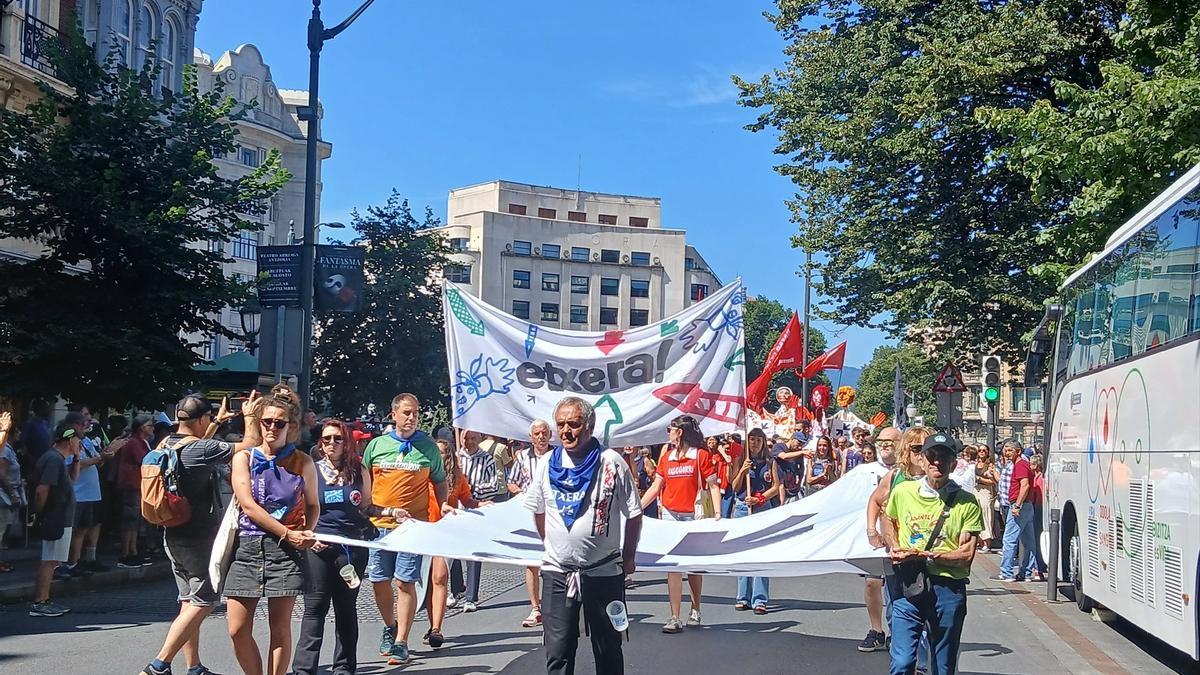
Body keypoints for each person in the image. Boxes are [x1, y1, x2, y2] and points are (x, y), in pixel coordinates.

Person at [140, 392, 263, 675]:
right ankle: (159, 665)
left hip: (172, 533)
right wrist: (251, 416)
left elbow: (196, 444)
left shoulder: (166, 444)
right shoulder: (202, 450)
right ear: (202, 419)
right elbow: (251, 444)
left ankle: (193, 667)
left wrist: (214, 423)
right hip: (199, 538)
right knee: (204, 601)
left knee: (187, 602)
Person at [526, 396, 642, 675]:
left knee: (608, 649)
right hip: (557, 573)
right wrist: (555, 546)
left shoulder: (611, 462)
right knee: (558, 651)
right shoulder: (546, 464)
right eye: (561, 424)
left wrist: (628, 557)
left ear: (589, 426)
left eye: (574, 424)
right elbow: (538, 511)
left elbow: (634, 513)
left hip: (604, 573)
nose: (567, 431)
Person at [225, 394, 319, 675]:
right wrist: (287, 533)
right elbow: (248, 506)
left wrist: (307, 531)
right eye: (267, 421)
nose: (272, 428)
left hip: (286, 552)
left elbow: (314, 505)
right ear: (259, 423)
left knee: (279, 627)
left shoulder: (303, 462)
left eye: (280, 423)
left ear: (290, 426)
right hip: (248, 546)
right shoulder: (244, 458)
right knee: (237, 628)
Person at [883, 433, 983, 675]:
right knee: (902, 663)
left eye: (944, 457)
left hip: (947, 588)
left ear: (953, 463)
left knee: (942, 665)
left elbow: (966, 554)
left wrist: (925, 553)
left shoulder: (967, 502)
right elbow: (888, 517)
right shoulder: (903, 492)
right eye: (932, 456)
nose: (937, 462)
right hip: (909, 584)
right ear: (922, 460)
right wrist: (893, 543)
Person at [362, 393, 449, 667]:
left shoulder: (428, 448)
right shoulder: (377, 446)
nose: (412, 418)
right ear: (394, 414)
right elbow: (364, 480)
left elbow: (440, 481)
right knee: (378, 580)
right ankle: (390, 625)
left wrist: (444, 506)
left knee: (404, 581)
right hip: (379, 526)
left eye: (416, 413)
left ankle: (401, 641)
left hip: (413, 526)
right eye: (407, 413)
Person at [293, 418, 372, 675]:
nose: (332, 444)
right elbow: (299, 510)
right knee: (314, 609)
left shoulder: (359, 471)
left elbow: (367, 508)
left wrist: (394, 512)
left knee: (346, 608)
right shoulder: (311, 470)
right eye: (326, 439)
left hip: (351, 549)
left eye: (338, 439)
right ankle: (304, 669)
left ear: (347, 442)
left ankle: (344, 667)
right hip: (318, 546)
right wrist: (309, 537)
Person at [638, 414, 721, 633]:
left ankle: (695, 608)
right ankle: (674, 616)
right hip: (669, 516)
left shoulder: (700, 455)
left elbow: (713, 485)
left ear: (680, 432)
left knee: (693, 565)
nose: (668, 433)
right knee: (672, 567)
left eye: (670, 429)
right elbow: (656, 486)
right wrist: (636, 508)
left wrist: (718, 514)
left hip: (694, 515)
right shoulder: (667, 458)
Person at [864, 425, 933, 662]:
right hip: (900, 556)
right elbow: (875, 501)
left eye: (927, 448)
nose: (922, 453)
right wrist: (873, 532)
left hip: (929, 557)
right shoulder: (895, 476)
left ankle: (920, 664)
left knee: (926, 613)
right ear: (907, 450)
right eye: (916, 448)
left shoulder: (937, 477)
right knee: (898, 610)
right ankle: (904, 658)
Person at [423, 437, 481, 650]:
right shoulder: (422, 475)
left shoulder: (457, 478)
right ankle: (419, 624)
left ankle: (436, 629)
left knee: (439, 577)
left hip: (443, 532)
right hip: (421, 530)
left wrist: (482, 505)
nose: (440, 457)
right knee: (420, 582)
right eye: (435, 452)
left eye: (444, 453)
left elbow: (468, 501)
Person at [29, 422, 80, 617]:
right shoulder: (53, 460)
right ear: (69, 440)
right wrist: (38, 513)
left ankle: (44, 600)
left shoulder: (59, 459)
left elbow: (72, 482)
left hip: (60, 517)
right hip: (54, 517)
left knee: (53, 560)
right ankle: (40, 602)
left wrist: (76, 460)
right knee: (49, 560)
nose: (79, 443)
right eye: (77, 440)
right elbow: (42, 490)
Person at [859, 426, 901, 652]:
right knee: (872, 582)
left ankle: (898, 632)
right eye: (881, 442)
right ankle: (876, 630)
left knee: (897, 585)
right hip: (875, 539)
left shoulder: (907, 470)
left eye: (890, 442)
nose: (884, 446)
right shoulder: (866, 470)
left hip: (901, 537)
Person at [509, 419, 553, 628]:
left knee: (555, 560)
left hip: (554, 515)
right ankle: (536, 607)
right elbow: (511, 482)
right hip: (530, 514)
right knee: (531, 561)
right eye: (537, 433)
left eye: (544, 433)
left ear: (550, 435)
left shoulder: (558, 456)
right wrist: (519, 492)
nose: (541, 437)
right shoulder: (522, 458)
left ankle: (557, 606)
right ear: (531, 437)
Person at [731, 427, 781, 614]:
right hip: (743, 508)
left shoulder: (770, 462)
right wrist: (742, 471)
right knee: (743, 553)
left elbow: (776, 487)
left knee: (761, 553)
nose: (755, 443)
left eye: (759, 440)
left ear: (763, 442)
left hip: (762, 508)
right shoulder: (740, 460)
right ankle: (743, 596)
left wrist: (761, 498)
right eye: (752, 439)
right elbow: (734, 487)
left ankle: (759, 598)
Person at [61, 408, 113, 577]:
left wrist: (108, 453)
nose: (86, 427)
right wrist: (98, 459)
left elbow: (98, 460)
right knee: (70, 529)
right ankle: (63, 564)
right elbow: (74, 464)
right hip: (77, 492)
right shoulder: (67, 441)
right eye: (84, 424)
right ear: (74, 425)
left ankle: (76, 563)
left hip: (90, 492)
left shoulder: (86, 441)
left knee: (83, 529)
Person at [456, 429, 502, 612]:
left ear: (480, 439)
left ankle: (471, 597)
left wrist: (473, 489)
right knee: (453, 551)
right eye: (466, 438)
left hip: (476, 511)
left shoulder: (487, 459)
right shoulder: (456, 457)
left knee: (474, 553)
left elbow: (494, 486)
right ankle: (456, 589)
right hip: (456, 509)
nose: (469, 442)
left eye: (473, 438)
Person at [994, 440, 1036, 582]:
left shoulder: (1020, 465)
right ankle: (1026, 572)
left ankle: (1006, 572)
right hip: (1027, 505)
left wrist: (1017, 505)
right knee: (1028, 541)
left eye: (1010, 450)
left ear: (1018, 451)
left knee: (1009, 539)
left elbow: (1025, 485)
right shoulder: (1021, 464)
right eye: (1005, 449)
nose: (1006, 452)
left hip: (1020, 505)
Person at [117, 415, 154, 567]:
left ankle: (133, 550)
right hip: (131, 484)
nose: (152, 428)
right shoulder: (134, 442)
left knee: (135, 520)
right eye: (150, 425)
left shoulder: (142, 442)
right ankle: (126, 553)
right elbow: (144, 460)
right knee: (130, 520)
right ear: (141, 428)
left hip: (137, 484)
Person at [0, 411, 23, 574]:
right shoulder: (5, 450)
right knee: (0, 529)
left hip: (8, 491)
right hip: (3, 494)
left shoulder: (8, 449)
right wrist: (13, 493)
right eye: (18, 430)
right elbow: (1, 473)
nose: (20, 433)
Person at [973, 445, 999, 552]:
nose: (982, 452)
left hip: (986, 491)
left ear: (988, 452)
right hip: (976, 491)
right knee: (977, 516)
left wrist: (979, 479)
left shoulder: (990, 465)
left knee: (986, 516)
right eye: (980, 450)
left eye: (984, 450)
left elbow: (993, 481)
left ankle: (987, 543)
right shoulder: (975, 464)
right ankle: (980, 542)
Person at [1029, 454, 1048, 581]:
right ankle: (1039, 567)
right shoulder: (1042, 477)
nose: (1030, 466)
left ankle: (1038, 569)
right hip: (1041, 507)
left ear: (1036, 465)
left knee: (1036, 538)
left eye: (1031, 464)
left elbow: (1036, 495)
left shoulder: (1038, 478)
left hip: (1038, 508)